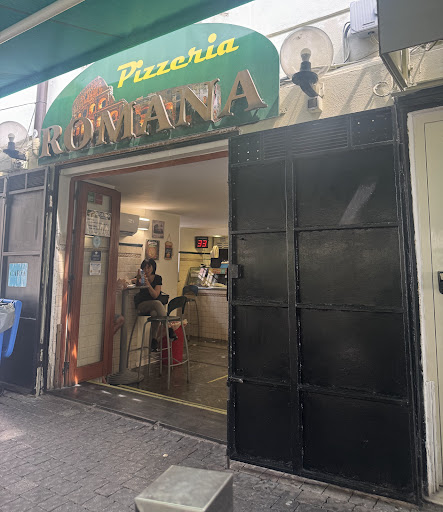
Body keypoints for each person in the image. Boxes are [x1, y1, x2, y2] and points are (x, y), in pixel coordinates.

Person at [134, 258, 176, 351]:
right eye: (144, 268)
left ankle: (153, 342)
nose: (147, 270)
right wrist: (138, 280)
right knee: (157, 303)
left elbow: (155, 295)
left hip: (154, 306)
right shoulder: (141, 278)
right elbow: (133, 282)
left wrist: (148, 284)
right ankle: (169, 328)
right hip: (142, 305)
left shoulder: (157, 278)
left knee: (155, 313)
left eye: (149, 267)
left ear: (153, 268)